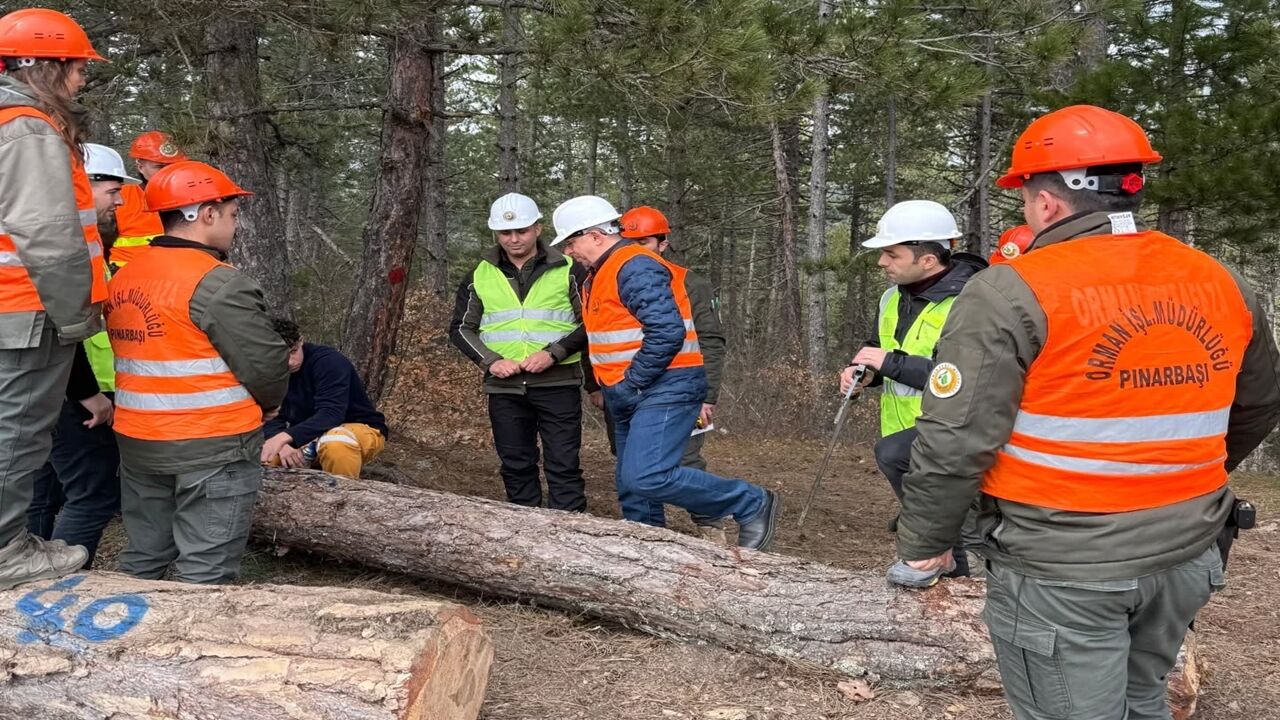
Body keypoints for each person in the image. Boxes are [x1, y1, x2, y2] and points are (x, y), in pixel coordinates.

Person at [893, 105, 1280, 720]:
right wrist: (1174, 474)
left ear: (1045, 203)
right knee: (1143, 696)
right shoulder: (1218, 279)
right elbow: (1259, 403)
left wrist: (925, 544)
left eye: (1023, 197)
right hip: (1188, 551)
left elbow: (956, 439)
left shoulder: (1010, 291)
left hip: (1065, 568)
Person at [552, 195, 779, 549]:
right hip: (629, 390)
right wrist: (615, 386)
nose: (569, 251)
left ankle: (750, 502)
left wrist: (633, 382)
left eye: (571, 241)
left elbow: (667, 331)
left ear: (595, 235)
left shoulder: (633, 265)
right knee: (631, 484)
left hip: (664, 386)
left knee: (647, 476)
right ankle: (649, 549)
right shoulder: (599, 273)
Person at [106, 160, 289, 585]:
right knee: (206, 569)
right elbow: (264, 365)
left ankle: (124, 633)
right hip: (212, 445)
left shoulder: (126, 275)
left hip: (139, 440)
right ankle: (187, 648)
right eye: (231, 214)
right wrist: (271, 404)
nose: (234, 224)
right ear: (206, 214)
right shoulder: (219, 283)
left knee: (144, 558)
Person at [0, 8, 110, 589]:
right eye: (76, 67)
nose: (82, 79)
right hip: (25, 308)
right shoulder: (26, 128)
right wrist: (75, 318)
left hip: (11, 307)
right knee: (17, 434)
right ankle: (4, 553)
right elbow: (48, 233)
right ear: (43, 64)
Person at [838, 200, 986, 575]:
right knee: (937, 524)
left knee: (959, 532)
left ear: (928, 259)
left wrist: (888, 363)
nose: (881, 263)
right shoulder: (891, 297)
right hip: (903, 436)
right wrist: (865, 374)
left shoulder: (973, 301)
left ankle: (962, 590)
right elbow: (879, 350)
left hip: (955, 433)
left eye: (891, 253)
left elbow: (963, 376)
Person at [25, 143, 136, 567]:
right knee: (93, 493)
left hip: (49, 389)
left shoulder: (61, 235)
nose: (120, 199)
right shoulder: (65, 242)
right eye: (112, 189)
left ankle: (27, 584)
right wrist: (88, 392)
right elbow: (57, 327)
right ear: (81, 184)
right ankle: (62, 587)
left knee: (43, 491)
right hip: (73, 393)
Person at [592, 205, 730, 543]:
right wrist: (597, 384)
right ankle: (646, 535)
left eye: (645, 243)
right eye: (630, 241)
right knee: (632, 468)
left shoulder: (689, 282)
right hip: (629, 390)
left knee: (686, 459)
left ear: (663, 243)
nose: (636, 250)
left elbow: (710, 341)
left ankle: (711, 527)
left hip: (678, 388)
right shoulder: (608, 275)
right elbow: (598, 335)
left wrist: (707, 396)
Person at [449, 193, 591, 512]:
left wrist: (554, 353)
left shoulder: (570, 269)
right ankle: (524, 531)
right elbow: (460, 328)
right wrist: (491, 361)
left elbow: (592, 323)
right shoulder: (479, 275)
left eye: (522, 230)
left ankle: (571, 532)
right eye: (505, 232)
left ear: (538, 228)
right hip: (505, 387)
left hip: (558, 383)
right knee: (515, 464)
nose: (513, 239)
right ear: (496, 233)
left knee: (564, 464)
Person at [262, 317, 388, 479]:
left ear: (301, 341)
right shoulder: (267, 371)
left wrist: (283, 438)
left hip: (359, 428)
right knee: (266, 457)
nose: (289, 362)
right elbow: (269, 413)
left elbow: (331, 413)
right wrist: (281, 443)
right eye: (279, 356)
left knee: (336, 442)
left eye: (293, 352)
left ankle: (345, 498)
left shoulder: (329, 362)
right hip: (309, 435)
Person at [110, 130, 188, 267]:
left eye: (172, 166)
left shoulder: (192, 196)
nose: (167, 172)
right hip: (126, 276)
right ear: (140, 167)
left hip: (176, 275)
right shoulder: (120, 197)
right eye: (159, 167)